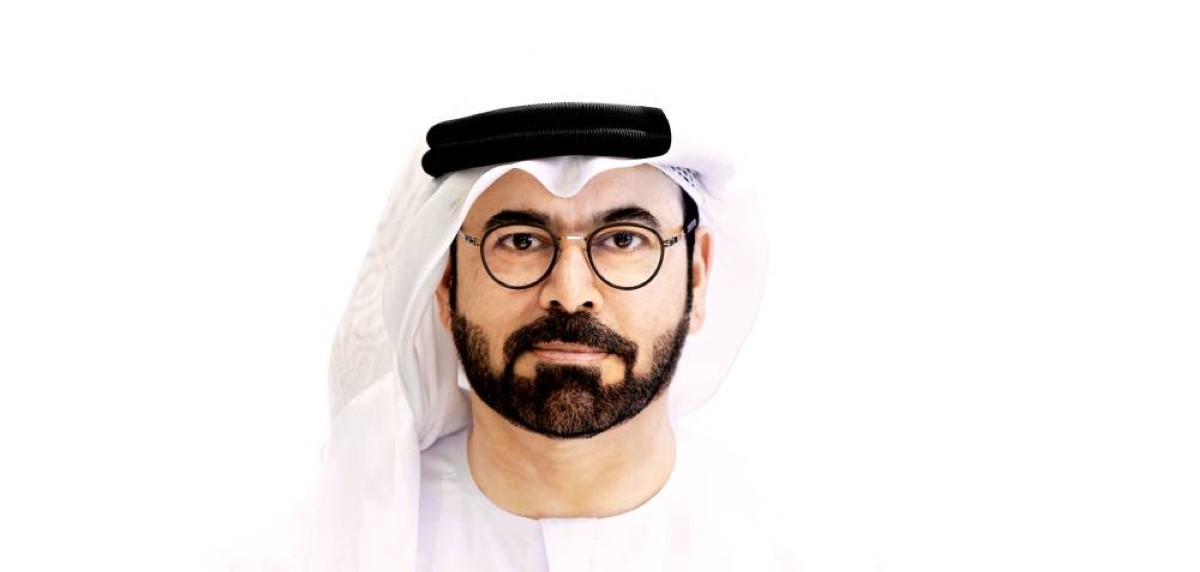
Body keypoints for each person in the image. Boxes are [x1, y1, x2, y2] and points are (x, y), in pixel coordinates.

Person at [239, 103, 792, 571]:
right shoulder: (310, 551)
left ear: (696, 274)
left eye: (623, 240)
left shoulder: (787, 546)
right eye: (521, 241)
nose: (570, 292)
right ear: (445, 282)